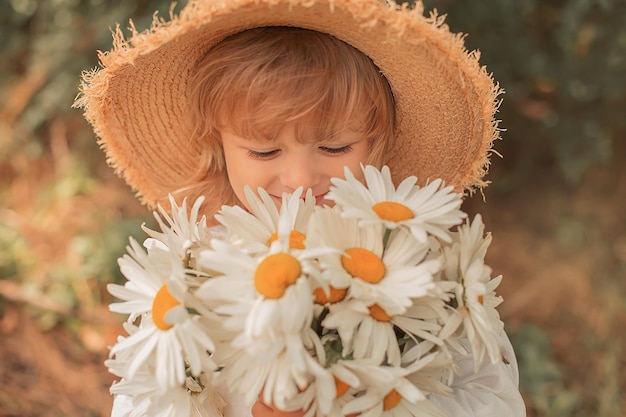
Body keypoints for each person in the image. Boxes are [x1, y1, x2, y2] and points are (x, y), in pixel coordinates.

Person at [74, 0, 526, 416]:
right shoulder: (194, 271)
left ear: (376, 143)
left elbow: (495, 397)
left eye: (334, 146)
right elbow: (140, 398)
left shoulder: (419, 269)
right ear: (218, 148)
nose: (300, 180)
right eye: (265, 152)